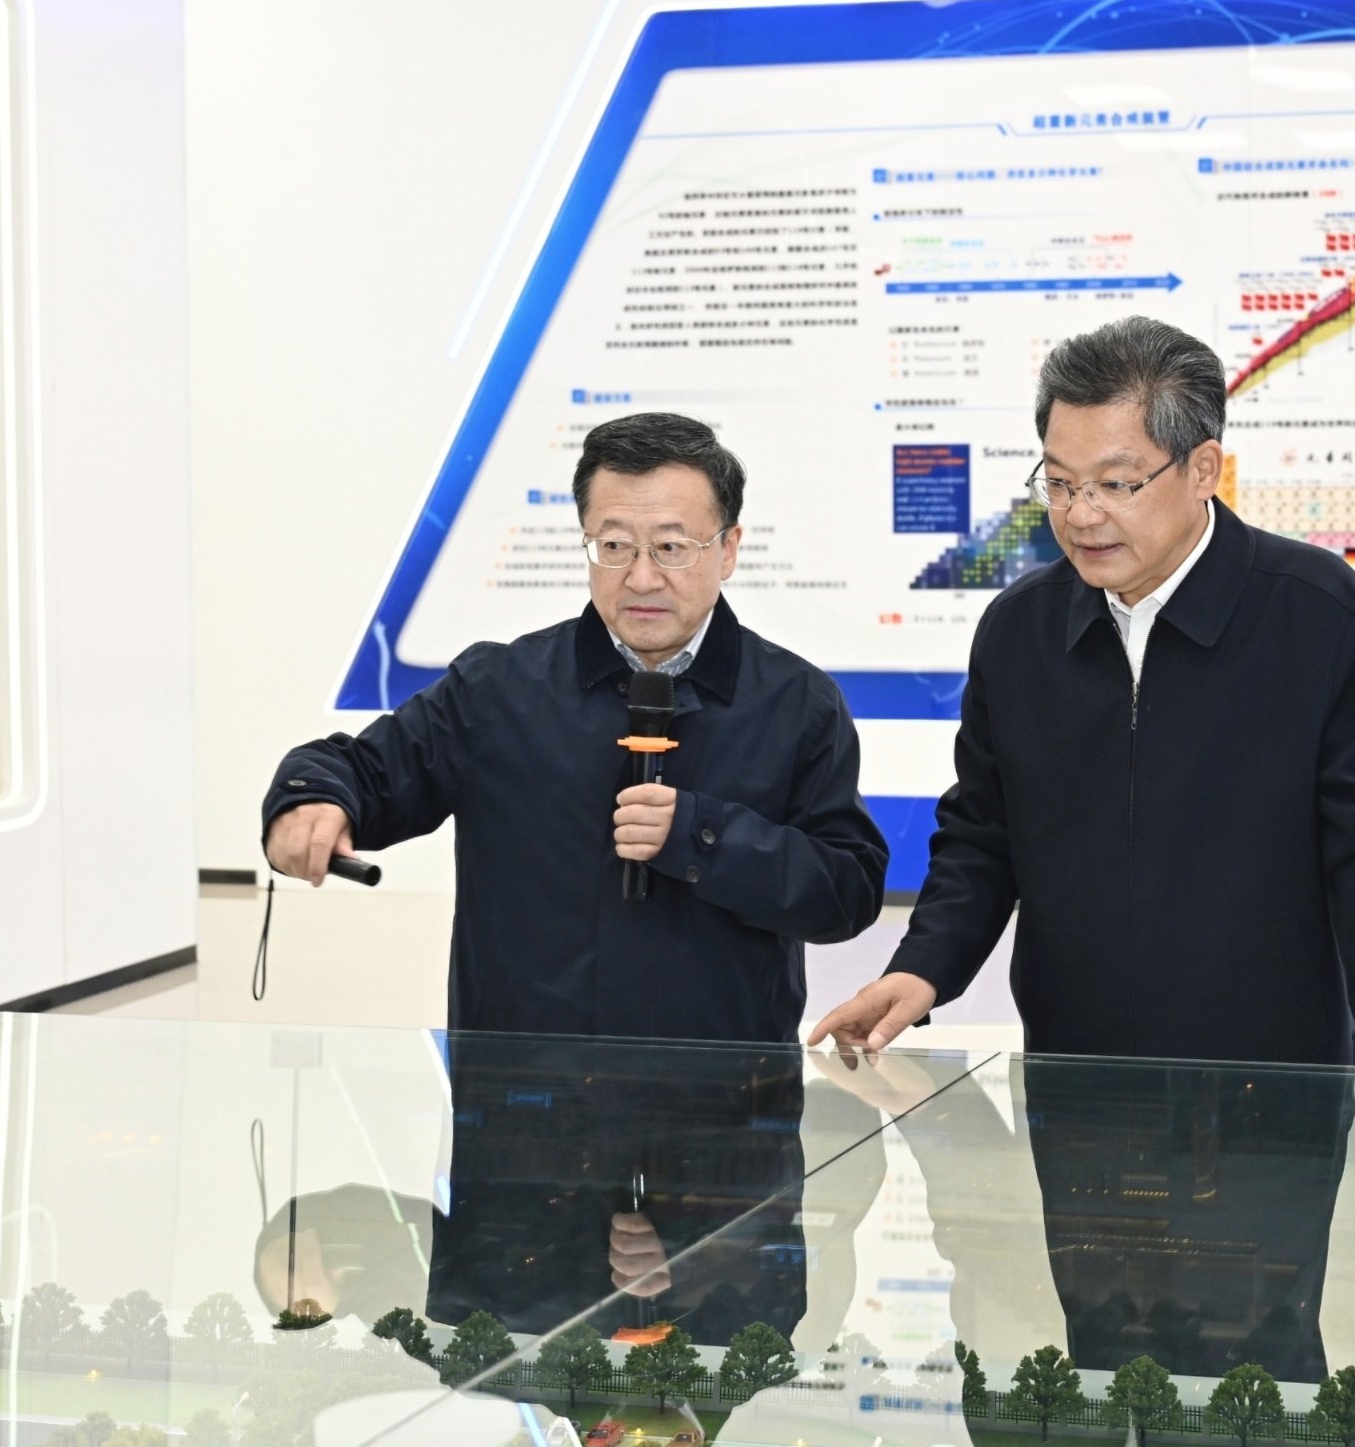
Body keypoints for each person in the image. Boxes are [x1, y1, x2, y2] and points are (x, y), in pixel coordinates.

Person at [811, 315, 1355, 1082]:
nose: (1081, 514)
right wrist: (922, 968)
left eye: (1116, 484)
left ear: (1202, 468)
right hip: (1072, 1067)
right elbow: (984, 835)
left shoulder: (1317, 615)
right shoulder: (1020, 630)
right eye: (1061, 482)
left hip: (1276, 1076)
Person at [262, 412, 887, 1040]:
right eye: (614, 547)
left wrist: (702, 835)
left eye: (671, 548)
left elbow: (848, 892)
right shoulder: (497, 689)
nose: (641, 577)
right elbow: (358, 771)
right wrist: (311, 799)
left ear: (726, 549)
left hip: (724, 1085)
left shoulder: (797, 702)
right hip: (522, 1082)